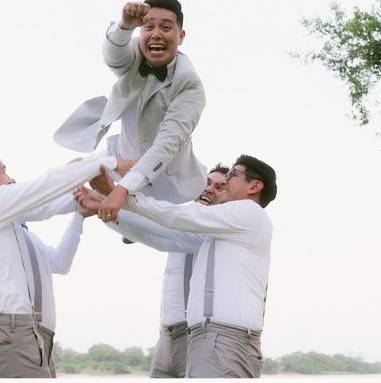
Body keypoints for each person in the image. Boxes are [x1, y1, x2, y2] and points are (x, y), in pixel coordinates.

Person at [80, 154, 277, 378]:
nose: (225, 182)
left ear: (255, 186)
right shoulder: (224, 230)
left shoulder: (250, 213)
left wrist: (121, 193)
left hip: (224, 339)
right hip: (209, 339)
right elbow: (165, 235)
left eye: (232, 175)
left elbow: (180, 216)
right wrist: (109, 203)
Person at [0, 145, 130, 378]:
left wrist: (86, 203)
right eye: (3, 171)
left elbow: (46, 206)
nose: (10, 178)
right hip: (10, 334)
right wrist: (108, 163)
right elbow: (44, 188)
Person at [54, 0, 206, 223]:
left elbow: (168, 142)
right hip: (123, 154)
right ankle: (24, 209)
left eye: (166, 27)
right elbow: (113, 56)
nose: (156, 34)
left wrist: (122, 189)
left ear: (181, 36)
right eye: (149, 27)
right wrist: (124, 26)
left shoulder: (190, 85)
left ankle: (126, 213)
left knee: (138, 224)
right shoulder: (135, 52)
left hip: (165, 178)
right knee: (70, 171)